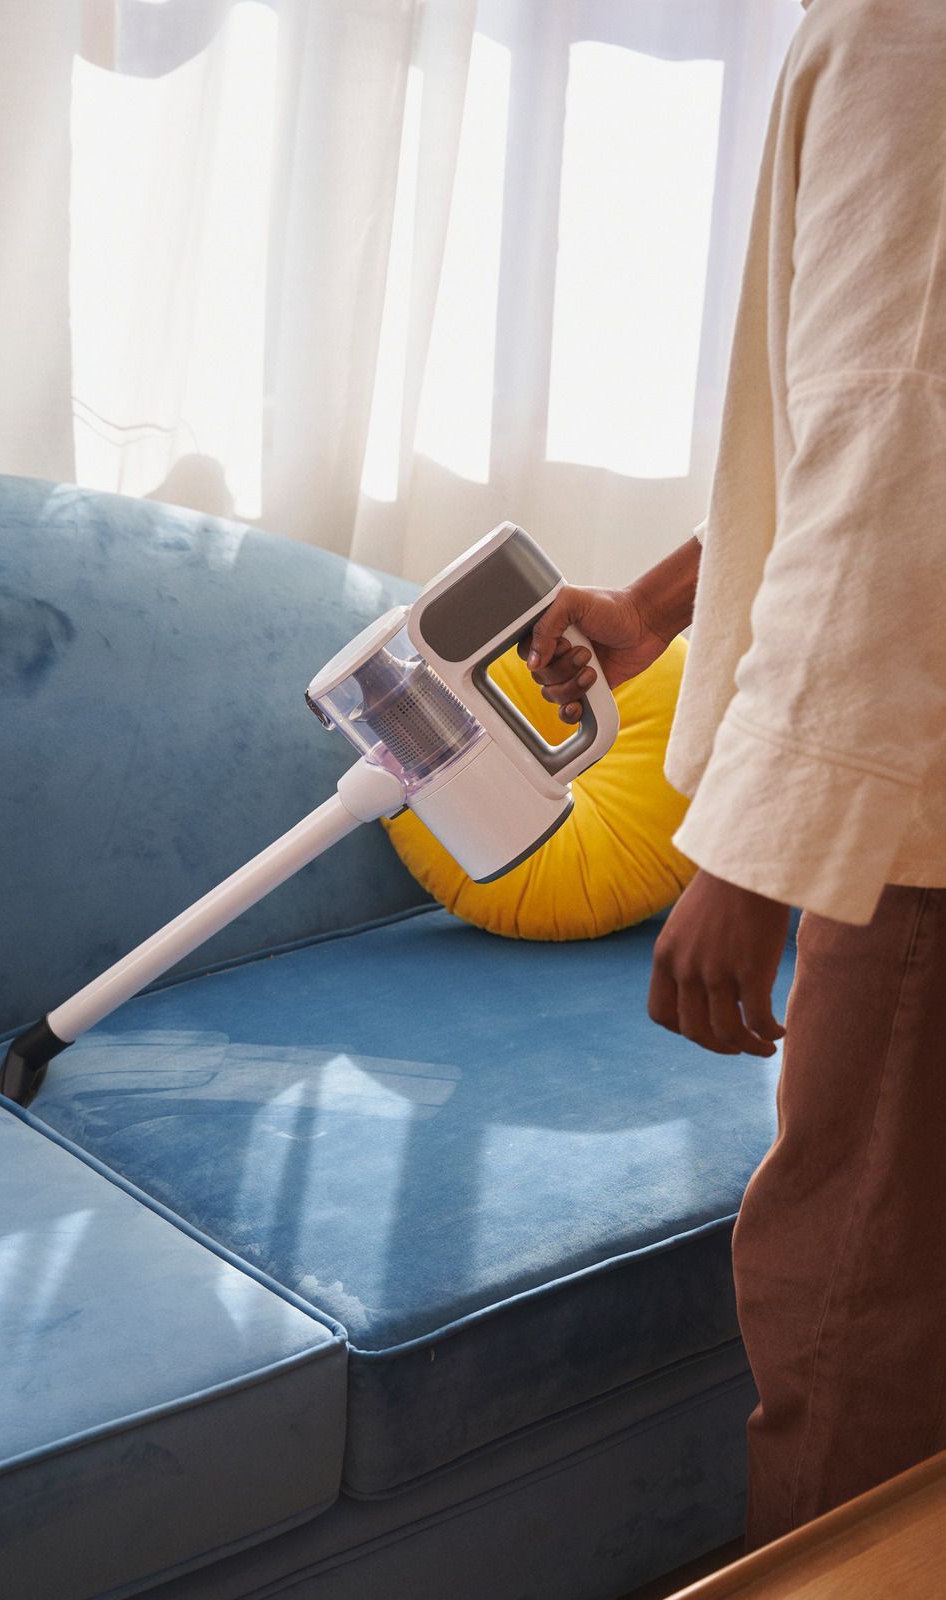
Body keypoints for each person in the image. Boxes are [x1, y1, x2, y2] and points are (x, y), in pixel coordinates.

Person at [521, 0, 946, 1555]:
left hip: (913, 830)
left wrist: (751, 858)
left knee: (850, 1330)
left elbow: (898, 445)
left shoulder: (908, 32)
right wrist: (656, 607)